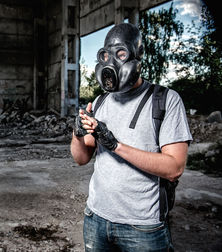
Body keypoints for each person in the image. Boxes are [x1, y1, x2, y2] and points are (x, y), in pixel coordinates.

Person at [70, 23, 192, 251]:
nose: (111, 63)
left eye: (121, 54)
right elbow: (80, 158)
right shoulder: (100, 102)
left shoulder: (166, 100)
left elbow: (174, 167)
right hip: (96, 217)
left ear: (138, 56)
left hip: (143, 227)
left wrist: (114, 145)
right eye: (106, 55)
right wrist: (78, 133)